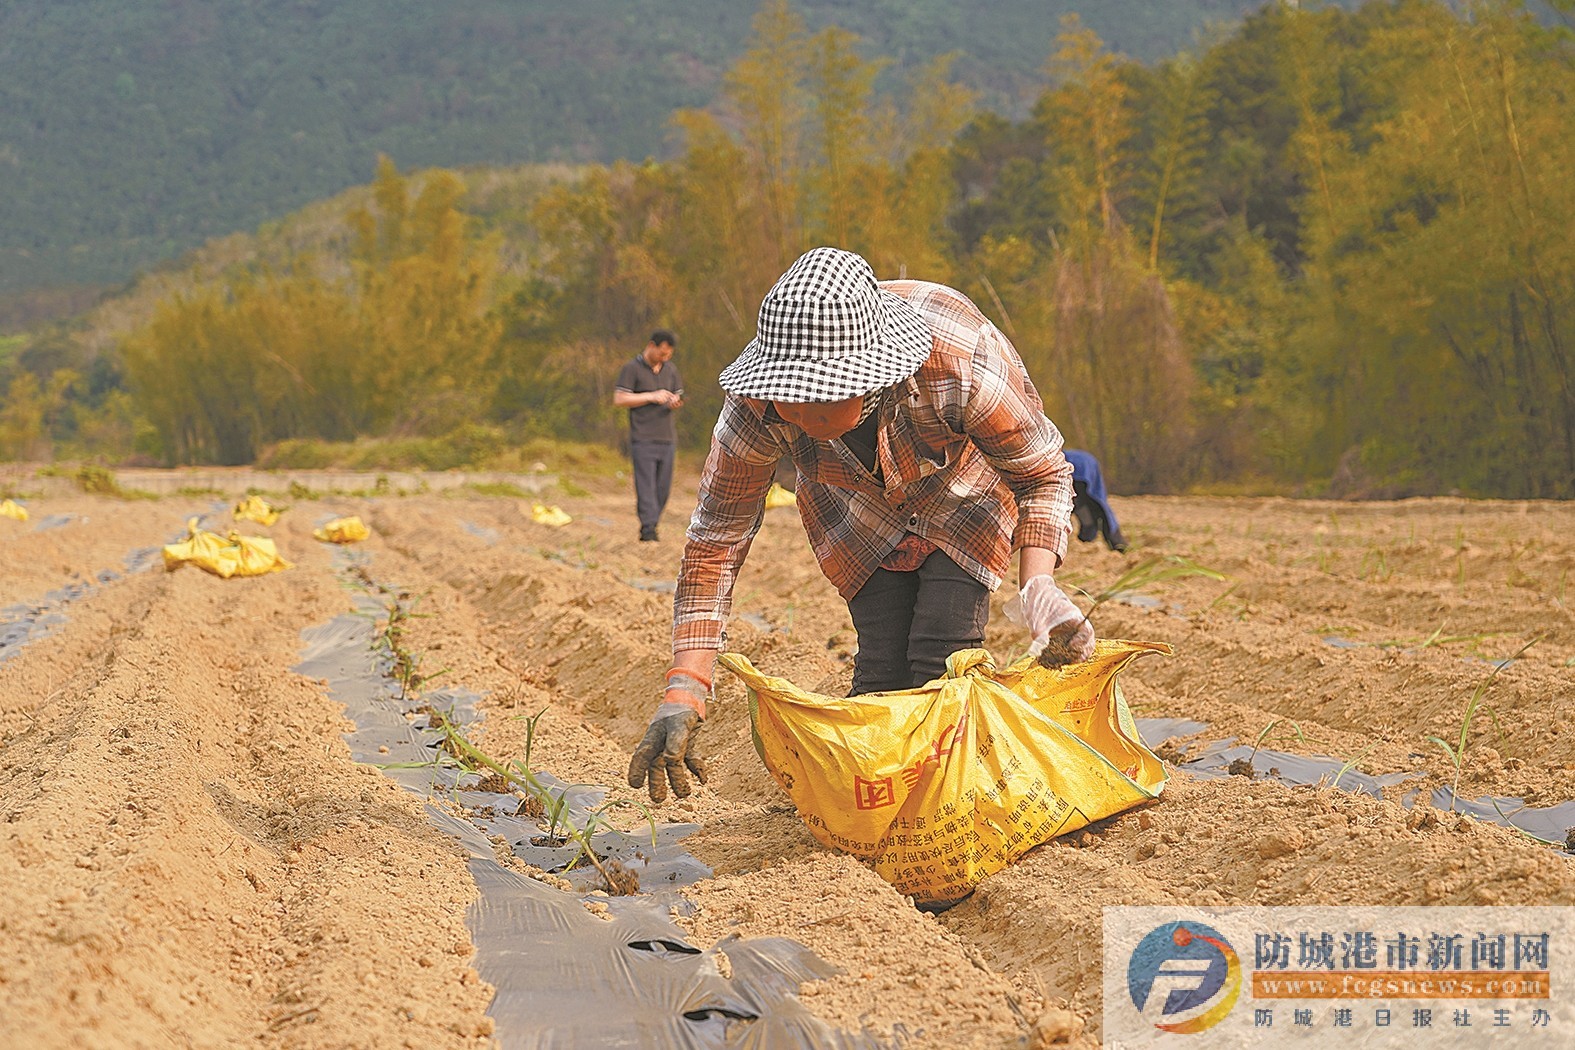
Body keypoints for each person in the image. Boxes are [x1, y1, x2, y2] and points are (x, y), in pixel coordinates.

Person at [627, 247, 1095, 802]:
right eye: (785, 395)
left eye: (814, 399)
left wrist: (1038, 582)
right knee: (881, 668)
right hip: (853, 512)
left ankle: (947, 816)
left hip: (964, 496)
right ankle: (878, 820)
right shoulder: (758, 406)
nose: (793, 412)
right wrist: (687, 688)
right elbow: (715, 541)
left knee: (939, 660)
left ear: (871, 379)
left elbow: (1041, 475)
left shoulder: (959, 362)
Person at [613, 330, 684, 541]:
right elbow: (619, 399)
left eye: (668, 354)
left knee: (663, 487)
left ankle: (654, 521)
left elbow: (679, 393)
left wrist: (674, 401)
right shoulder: (631, 368)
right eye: (662, 353)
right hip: (642, 436)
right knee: (646, 485)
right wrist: (652, 396)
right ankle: (648, 528)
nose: (665, 358)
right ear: (651, 346)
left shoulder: (671, 370)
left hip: (667, 437)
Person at [1064, 448, 1128, 552]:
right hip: (1085, 467)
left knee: (1084, 503)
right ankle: (1112, 541)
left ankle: (1112, 541)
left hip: (1080, 469)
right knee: (1090, 504)